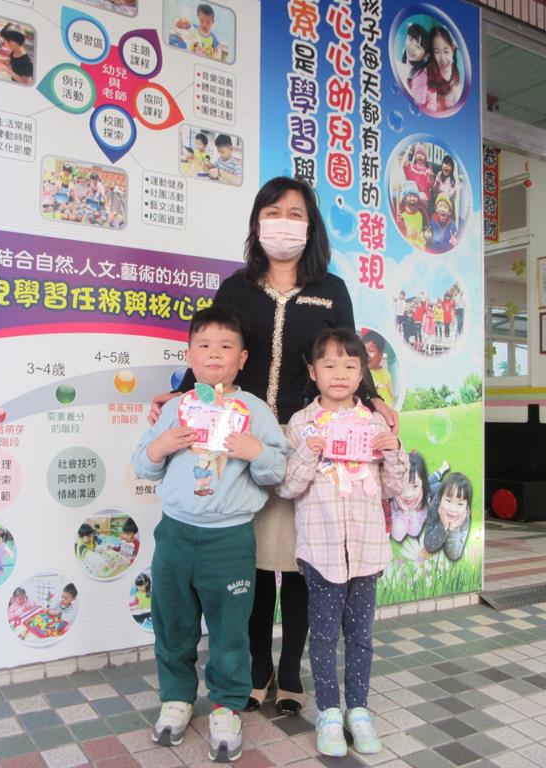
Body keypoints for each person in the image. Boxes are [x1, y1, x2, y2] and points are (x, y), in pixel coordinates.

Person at [148, 177, 398, 719]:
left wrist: (374, 400)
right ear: (258, 221)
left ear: (310, 226)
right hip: (247, 440)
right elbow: (217, 350)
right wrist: (183, 393)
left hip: (311, 438)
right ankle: (258, 668)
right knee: (257, 560)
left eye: (295, 213)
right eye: (273, 211)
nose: (283, 222)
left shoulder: (331, 288)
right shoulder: (236, 287)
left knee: (306, 559)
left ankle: (290, 672)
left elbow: (347, 353)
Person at [132, 306, 288, 763]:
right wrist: (160, 446)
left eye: (225, 346)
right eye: (203, 345)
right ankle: (176, 699)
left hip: (230, 539)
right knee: (172, 624)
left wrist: (256, 451)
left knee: (229, 630)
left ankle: (226, 706)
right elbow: (142, 464)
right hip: (176, 535)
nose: (214, 353)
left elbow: (278, 471)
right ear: (189, 355)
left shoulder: (254, 410)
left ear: (242, 358)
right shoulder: (176, 408)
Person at [277, 328, 408, 756]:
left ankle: (359, 711)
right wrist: (309, 452)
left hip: (367, 550)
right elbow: (287, 487)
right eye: (329, 365)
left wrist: (394, 450)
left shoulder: (374, 422)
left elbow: (394, 488)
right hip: (322, 550)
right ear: (312, 372)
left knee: (361, 636)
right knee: (322, 635)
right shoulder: (301, 424)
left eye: (350, 365)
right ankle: (330, 713)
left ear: (362, 373)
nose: (339, 373)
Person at [390, 452, 448, 541]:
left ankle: (442, 469)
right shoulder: (393, 504)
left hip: (424, 493)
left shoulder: (422, 495)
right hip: (423, 494)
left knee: (436, 483)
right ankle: (440, 472)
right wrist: (405, 514)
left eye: (415, 486)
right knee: (433, 483)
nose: (408, 494)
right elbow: (409, 534)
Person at [423, 472, 473, 560]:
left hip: (441, 490)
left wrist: (453, 529)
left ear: (466, 506)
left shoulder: (464, 516)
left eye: (460, 504)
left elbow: (454, 555)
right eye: (449, 501)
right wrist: (443, 525)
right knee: (424, 489)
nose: (452, 509)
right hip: (435, 489)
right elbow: (428, 546)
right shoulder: (435, 506)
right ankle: (438, 473)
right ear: (440, 499)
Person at [424, 25, 462, 114]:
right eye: (437, 52)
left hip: (446, 97)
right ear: (433, 53)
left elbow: (456, 91)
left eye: (446, 51)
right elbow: (430, 94)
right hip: (434, 98)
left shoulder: (454, 70)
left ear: (452, 49)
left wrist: (452, 98)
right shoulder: (431, 70)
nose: (443, 58)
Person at [362, 330, 394, 408]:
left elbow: (391, 394)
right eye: (363, 351)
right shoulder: (362, 374)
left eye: (370, 350)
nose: (366, 355)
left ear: (381, 354)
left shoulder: (386, 374)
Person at [402, 23, 431, 106]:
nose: (412, 47)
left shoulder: (421, 77)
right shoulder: (405, 51)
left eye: (418, 47)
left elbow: (419, 103)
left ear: (425, 55)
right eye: (411, 39)